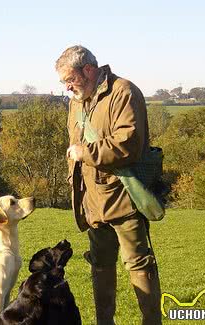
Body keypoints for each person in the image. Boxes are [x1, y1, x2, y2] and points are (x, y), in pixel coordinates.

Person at [55, 45, 162, 325]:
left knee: (139, 264)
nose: (67, 88)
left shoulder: (123, 91)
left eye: (70, 80)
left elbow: (128, 143)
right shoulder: (77, 101)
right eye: (64, 82)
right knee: (100, 266)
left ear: (89, 70)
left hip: (123, 196)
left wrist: (84, 153)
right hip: (91, 199)